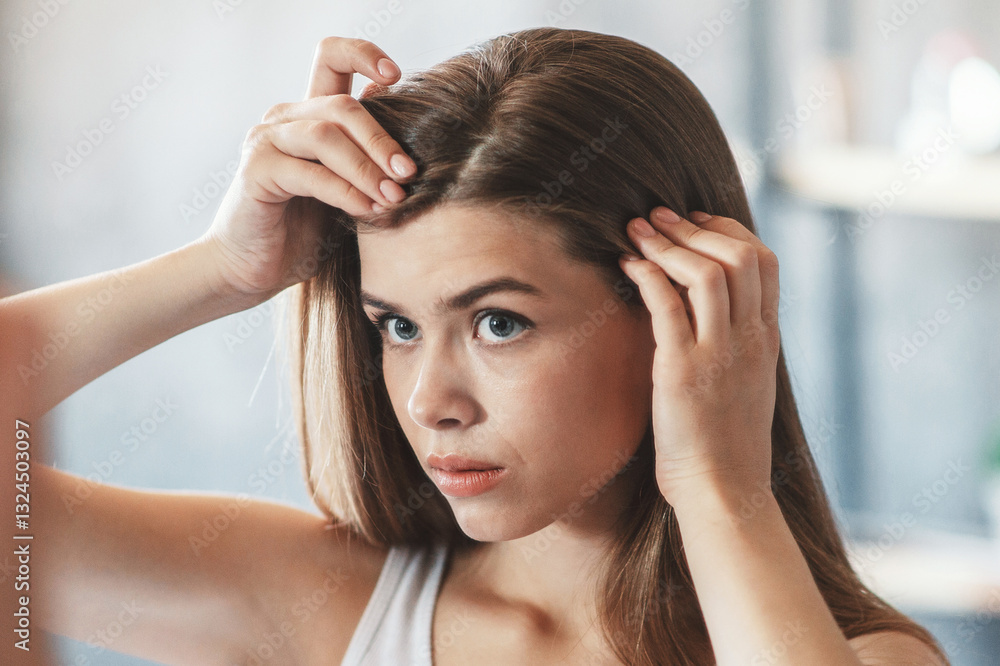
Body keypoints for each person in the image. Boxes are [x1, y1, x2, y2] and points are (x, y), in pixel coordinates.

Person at [3, 27, 949, 665]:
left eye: (499, 322)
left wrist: (718, 488)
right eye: (398, 326)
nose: (429, 401)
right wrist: (222, 270)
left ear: (676, 315)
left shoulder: (860, 654)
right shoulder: (323, 605)